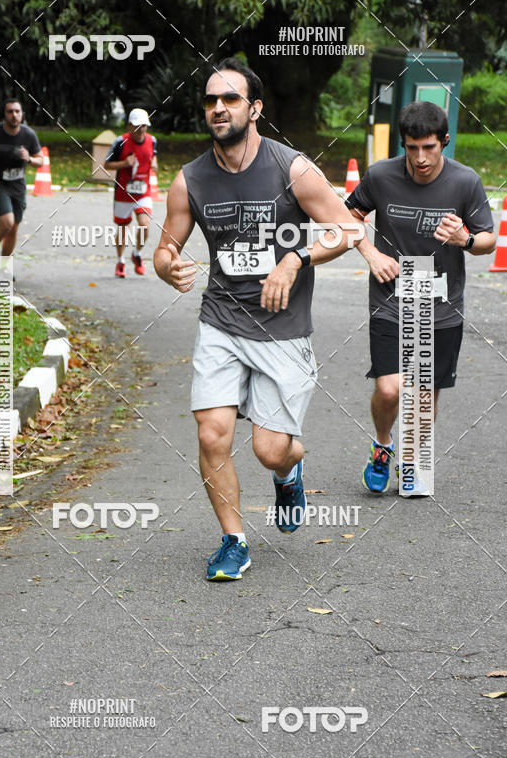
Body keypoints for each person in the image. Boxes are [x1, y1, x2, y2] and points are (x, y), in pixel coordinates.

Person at [154, 57, 363, 581]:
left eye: (230, 99)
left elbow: (348, 229)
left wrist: (296, 259)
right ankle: (234, 541)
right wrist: (167, 267)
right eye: (210, 100)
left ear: (255, 109)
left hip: (282, 327)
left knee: (270, 451)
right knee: (212, 435)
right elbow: (164, 248)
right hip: (221, 321)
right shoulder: (189, 180)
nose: (218, 108)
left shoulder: (292, 168)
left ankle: (289, 471)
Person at [347, 100, 496, 496]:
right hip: (390, 300)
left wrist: (464, 239)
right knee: (390, 389)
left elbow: (488, 240)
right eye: (412, 148)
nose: (421, 158)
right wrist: (371, 254)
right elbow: (347, 216)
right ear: (403, 144)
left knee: (424, 394)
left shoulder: (465, 182)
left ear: (444, 141)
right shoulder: (381, 176)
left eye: (429, 147)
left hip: (442, 307)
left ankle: (411, 459)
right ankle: (383, 447)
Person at [0, 99, 43, 259]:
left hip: (18, 186)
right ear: (4, 114)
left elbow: (40, 161)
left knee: (13, 229)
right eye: (10, 111)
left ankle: (4, 267)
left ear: (22, 114)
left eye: (17, 111)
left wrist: (29, 159)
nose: (14, 115)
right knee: (7, 222)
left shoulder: (28, 135)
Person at [103, 108, 157, 277]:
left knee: (145, 225)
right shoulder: (120, 142)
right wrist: (124, 163)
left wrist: (154, 162)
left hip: (143, 191)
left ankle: (137, 254)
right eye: (137, 126)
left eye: (144, 126)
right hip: (123, 192)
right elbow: (106, 164)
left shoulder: (152, 140)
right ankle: (120, 261)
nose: (141, 130)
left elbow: (153, 154)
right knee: (123, 229)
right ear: (129, 125)